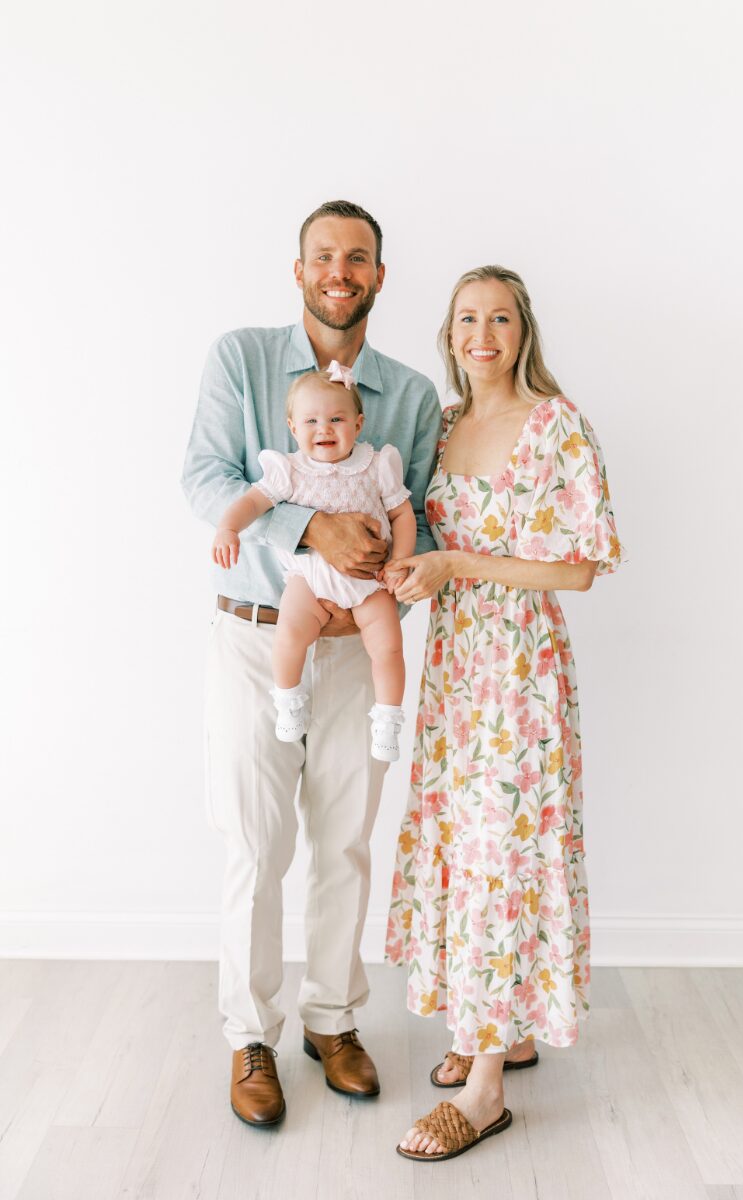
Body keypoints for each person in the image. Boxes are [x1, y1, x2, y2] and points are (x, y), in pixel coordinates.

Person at [181, 200, 443, 1126]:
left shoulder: (410, 394)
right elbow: (207, 477)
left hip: (359, 649)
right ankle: (251, 1034)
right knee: (256, 845)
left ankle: (333, 1021)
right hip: (262, 637)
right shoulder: (241, 359)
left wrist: (395, 571)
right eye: (324, 257)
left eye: (359, 258)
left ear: (379, 276)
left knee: (344, 843)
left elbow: (423, 510)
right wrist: (308, 524)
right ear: (299, 271)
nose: (341, 271)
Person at [383, 265, 622, 1162]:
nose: (482, 334)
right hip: (453, 667)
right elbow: (423, 539)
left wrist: (459, 569)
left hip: (519, 667)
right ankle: (502, 1029)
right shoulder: (441, 429)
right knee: (463, 846)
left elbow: (580, 567)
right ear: (448, 335)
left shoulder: (557, 426)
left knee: (504, 852)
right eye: (466, 319)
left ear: (525, 333)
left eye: (501, 319)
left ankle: (484, 1090)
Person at [211, 364, 413, 760]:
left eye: (336, 419)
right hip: (309, 578)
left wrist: (400, 562)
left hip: (371, 581)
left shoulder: (376, 465)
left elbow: (403, 514)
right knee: (290, 633)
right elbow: (252, 501)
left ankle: (388, 717)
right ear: (292, 427)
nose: (324, 429)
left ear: (358, 423)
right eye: (311, 421)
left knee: (388, 647)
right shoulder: (290, 471)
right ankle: (288, 698)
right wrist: (228, 529)